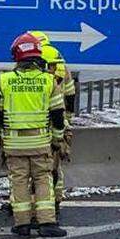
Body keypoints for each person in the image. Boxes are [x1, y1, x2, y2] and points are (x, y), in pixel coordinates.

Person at [0, 32, 67, 237]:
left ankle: (22, 224)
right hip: (41, 143)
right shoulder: (49, 81)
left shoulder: (4, 81)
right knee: (43, 179)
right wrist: (58, 139)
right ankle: (47, 223)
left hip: (14, 144)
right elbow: (58, 115)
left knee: (19, 181)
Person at [41, 44, 72, 210]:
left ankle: (51, 203)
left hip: (38, 138)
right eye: (52, 65)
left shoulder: (52, 80)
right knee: (45, 175)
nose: (55, 68)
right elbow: (59, 111)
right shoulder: (48, 83)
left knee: (49, 173)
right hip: (42, 138)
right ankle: (48, 208)